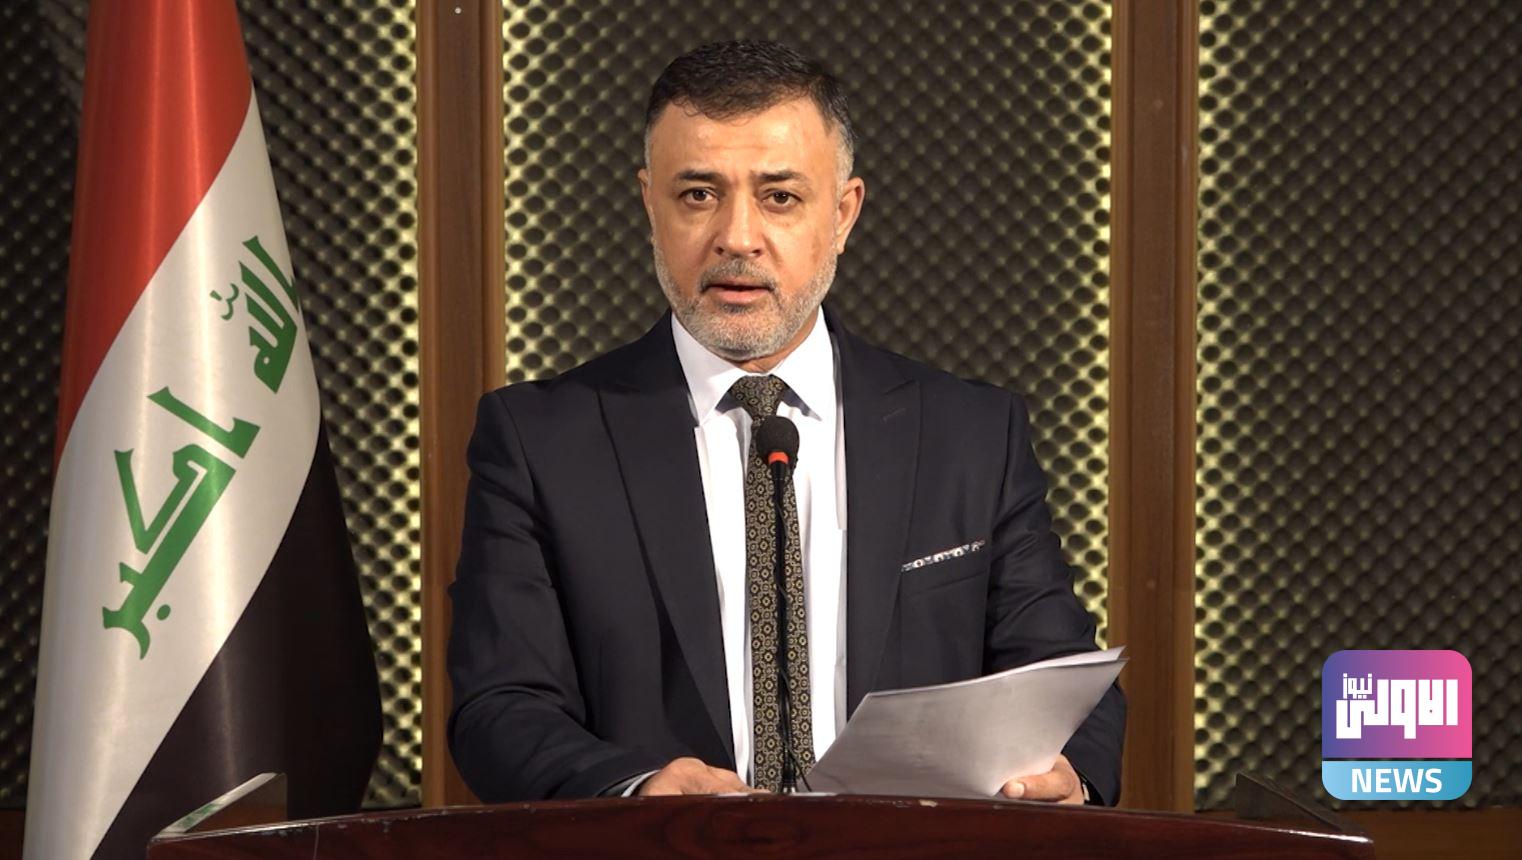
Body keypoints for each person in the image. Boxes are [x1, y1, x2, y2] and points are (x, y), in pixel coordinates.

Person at [448, 39, 1125, 805]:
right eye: (697, 194)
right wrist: (633, 792)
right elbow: (500, 706)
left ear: (842, 214)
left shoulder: (971, 434)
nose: (737, 236)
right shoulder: (539, 441)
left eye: (779, 197)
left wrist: (1068, 776)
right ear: (649, 205)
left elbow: (1064, 681)